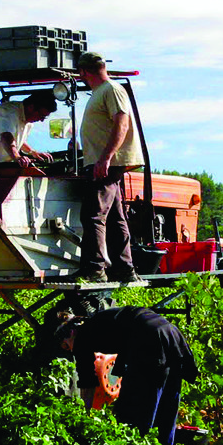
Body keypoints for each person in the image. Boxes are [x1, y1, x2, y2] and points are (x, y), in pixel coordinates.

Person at [55, 306, 198, 445]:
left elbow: (87, 382)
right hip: (170, 332)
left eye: (66, 346)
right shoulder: (96, 321)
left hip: (148, 337)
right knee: (168, 395)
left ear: (72, 332)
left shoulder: (82, 337)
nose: (70, 350)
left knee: (136, 402)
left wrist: (85, 417)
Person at [74, 52, 144, 282]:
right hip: (103, 161)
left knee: (93, 215)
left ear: (83, 72)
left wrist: (105, 157)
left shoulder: (110, 90)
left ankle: (94, 269)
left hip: (105, 162)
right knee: (115, 218)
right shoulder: (101, 92)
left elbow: (121, 122)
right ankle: (124, 268)